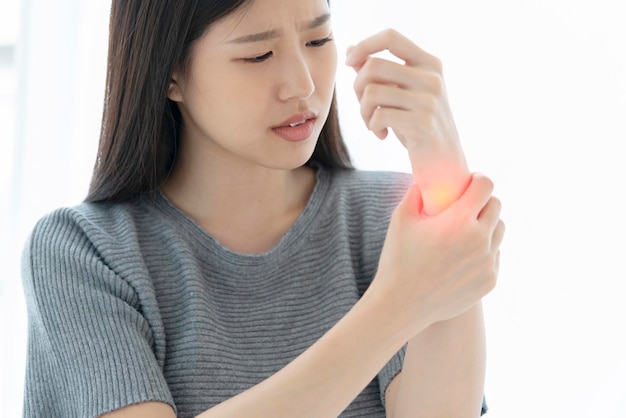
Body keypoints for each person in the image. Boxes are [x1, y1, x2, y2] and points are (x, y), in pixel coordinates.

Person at [21, 0, 504, 417]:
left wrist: (441, 159)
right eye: (258, 54)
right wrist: (398, 303)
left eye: (318, 41)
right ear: (169, 74)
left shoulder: (395, 219)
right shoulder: (83, 253)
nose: (301, 84)